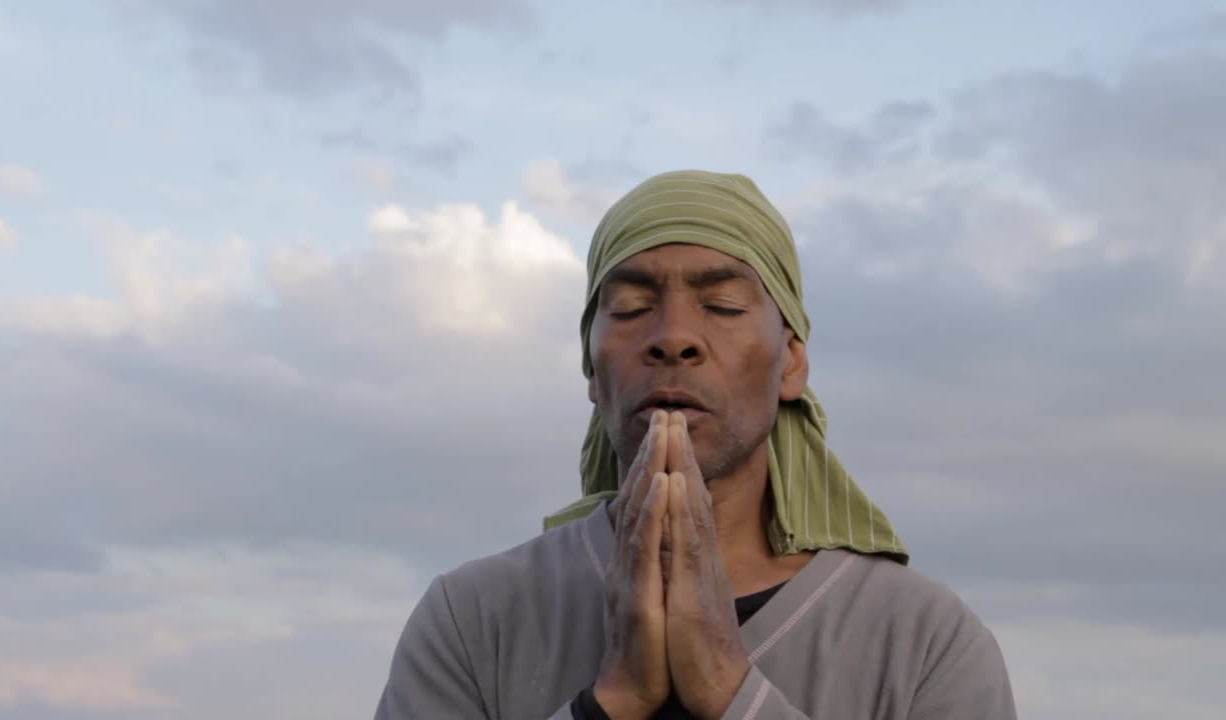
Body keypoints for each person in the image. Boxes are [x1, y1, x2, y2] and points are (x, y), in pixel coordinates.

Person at [373, 170, 1017, 719]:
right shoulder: (474, 618)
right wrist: (613, 700)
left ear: (792, 362)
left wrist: (728, 688)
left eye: (724, 305)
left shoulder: (924, 640)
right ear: (592, 370)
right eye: (631, 307)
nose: (674, 337)